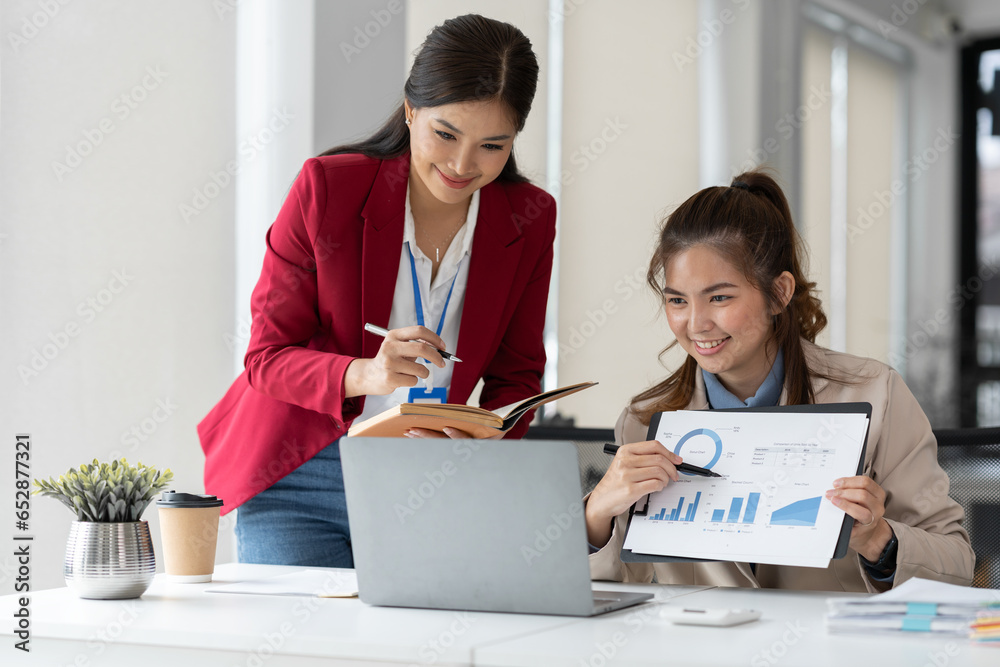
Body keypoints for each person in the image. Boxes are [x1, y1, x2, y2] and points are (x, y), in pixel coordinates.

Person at [197, 14, 556, 567]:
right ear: (411, 110)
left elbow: (519, 374)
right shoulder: (327, 188)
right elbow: (266, 358)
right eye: (445, 134)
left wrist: (484, 442)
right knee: (305, 649)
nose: (463, 165)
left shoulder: (529, 218)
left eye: (492, 145)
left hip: (426, 478)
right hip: (302, 473)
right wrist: (365, 373)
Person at [585, 170, 975, 592]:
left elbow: (957, 565)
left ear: (778, 293)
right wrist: (595, 519)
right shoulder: (644, 420)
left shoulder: (875, 393)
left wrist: (877, 539)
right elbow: (612, 593)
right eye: (677, 300)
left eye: (720, 297)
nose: (695, 324)